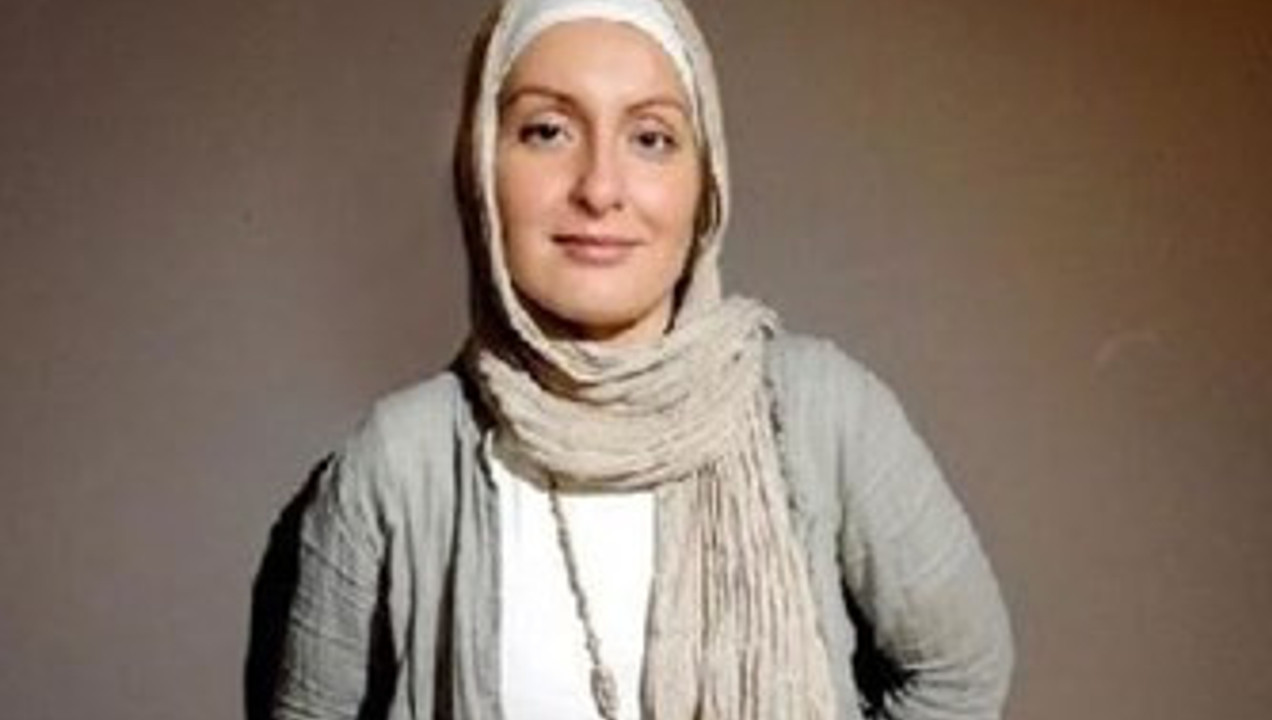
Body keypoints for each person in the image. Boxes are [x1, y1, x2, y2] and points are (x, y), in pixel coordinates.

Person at [257, 0, 1014, 718]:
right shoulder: (396, 464)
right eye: (547, 131)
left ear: (704, 181)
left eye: (651, 138)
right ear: (480, 167)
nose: (600, 189)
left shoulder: (821, 412)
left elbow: (961, 673)